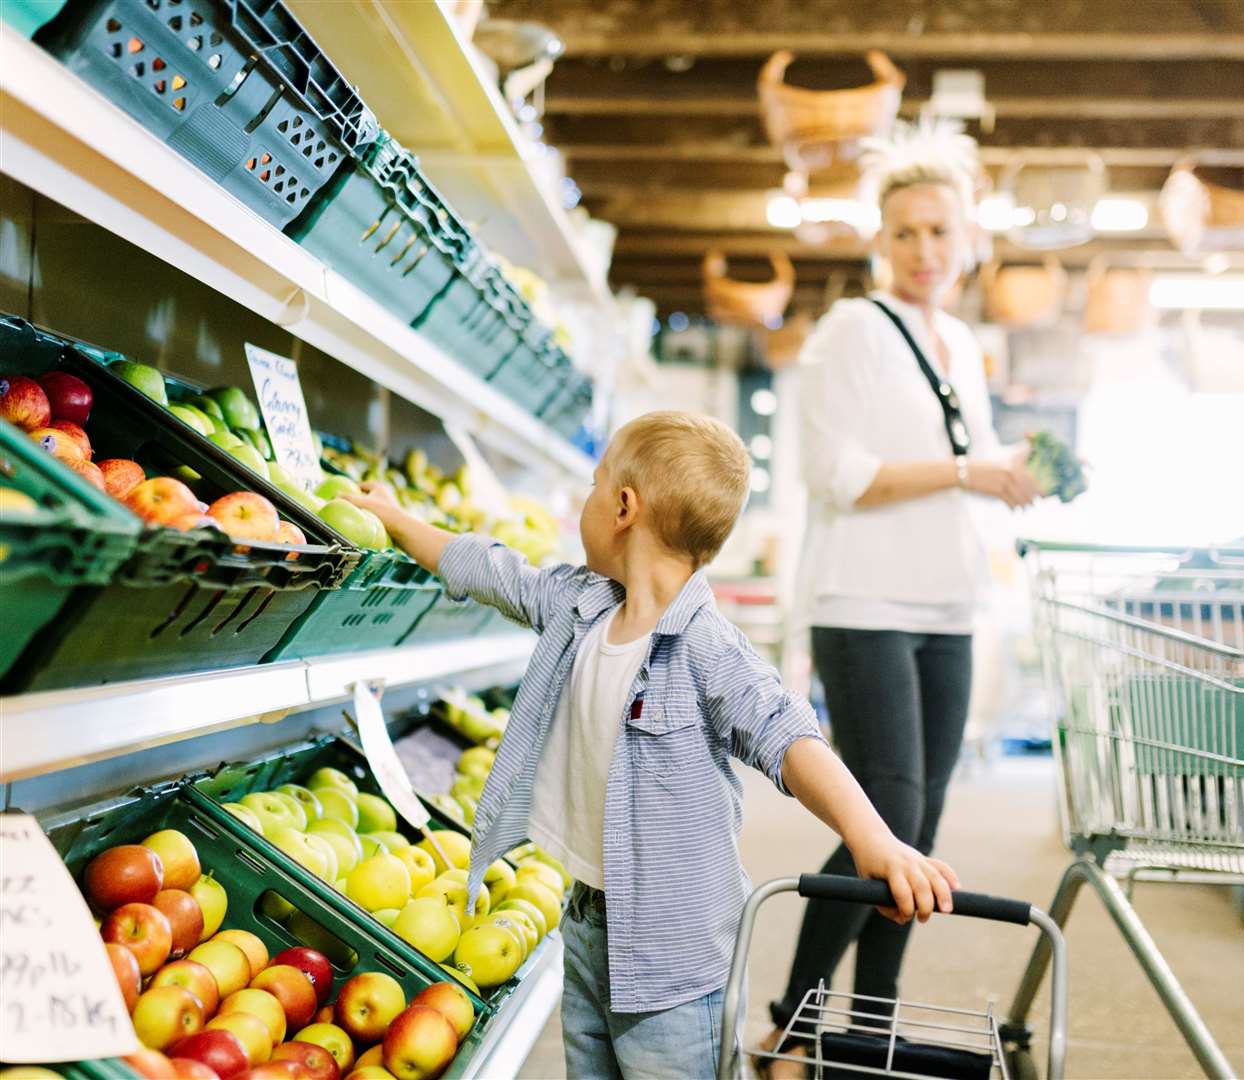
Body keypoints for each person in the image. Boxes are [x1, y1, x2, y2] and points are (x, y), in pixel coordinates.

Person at [346, 411, 960, 1079]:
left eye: (592, 484)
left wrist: (872, 839)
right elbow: (498, 573)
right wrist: (400, 522)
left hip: (675, 958)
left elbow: (787, 734)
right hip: (585, 920)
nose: (585, 499)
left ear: (622, 506)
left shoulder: (705, 647)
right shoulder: (581, 605)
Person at [761, 135, 1040, 1075]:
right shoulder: (852, 329)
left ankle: (866, 1034)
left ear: (968, 240)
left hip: (950, 605)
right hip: (864, 599)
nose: (925, 248)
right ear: (882, 239)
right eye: (906, 231)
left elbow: (970, 470)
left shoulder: (961, 343)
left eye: (940, 231)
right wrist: (972, 469)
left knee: (917, 834)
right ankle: (794, 1028)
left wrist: (1012, 478)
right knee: (885, 818)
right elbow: (838, 476)